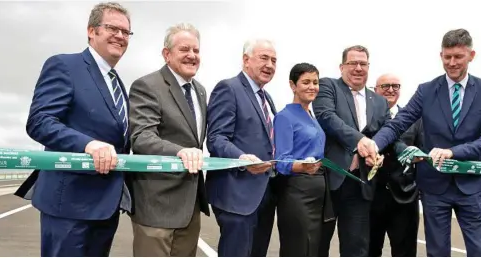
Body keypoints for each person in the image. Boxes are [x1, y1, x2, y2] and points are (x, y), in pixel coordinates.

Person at [14, 2, 133, 256]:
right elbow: (40, 121)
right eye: (113, 28)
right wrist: (88, 144)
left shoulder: (118, 85)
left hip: (105, 207)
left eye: (126, 32)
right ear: (92, 31)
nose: (120, 36)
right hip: (68, 205)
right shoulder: (65, 66)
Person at [370, 29, 481, 257]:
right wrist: (374, 144)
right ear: (441, 55)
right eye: (447, 57)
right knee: (437, 252)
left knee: (479, 251)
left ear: (471, 55)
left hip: (471, 186)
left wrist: (452, 152)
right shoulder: (426, 91)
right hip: (434, 186)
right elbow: (397, 124)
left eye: (458, 57)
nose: (452, 63)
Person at [313, 45, 407, 257]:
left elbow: (389, 134)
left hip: (361, 183)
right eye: (352, 63)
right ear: (341, 66)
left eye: (362, 64)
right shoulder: (328, 86)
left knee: (357, 248)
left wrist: (386, 152)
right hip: (329, 181)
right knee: (318, 245)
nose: (358, 68)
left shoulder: (380, 102)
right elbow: (327, 117)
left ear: (368, 67)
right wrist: (360, 141)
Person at [127, 23, 210, 257]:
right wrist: (180, 151)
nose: (192, 55)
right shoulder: (148, 86)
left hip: (190, 205)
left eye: (196, 50)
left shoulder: (200, 91)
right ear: (167, 54)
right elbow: (142, 137)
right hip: (157, 205)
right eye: (185, 49)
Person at [206, 39, 278, 257]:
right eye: (264, 58)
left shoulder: (267, 98)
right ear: (246, 60)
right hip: (237, 194)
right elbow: (217, 138)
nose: (270, 65)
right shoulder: (228, 88)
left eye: (274, 60)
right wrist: (241, 158)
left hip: (264, 193)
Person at [273, 63, 334, 257]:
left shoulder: (311, 116)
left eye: (315, 82)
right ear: (293, 85)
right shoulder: (285, 117)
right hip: (298, 194)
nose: (312, 87)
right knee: (298, 249)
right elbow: (281, 161)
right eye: (306, 82)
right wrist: (303, 166)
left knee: (315, 250)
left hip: (319, 195)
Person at [368, 73, 423, 257]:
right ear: (375, 90)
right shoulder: (365, 118)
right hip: (370, 198)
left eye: (395, 86)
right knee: (368, 251)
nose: (390, 90)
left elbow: (423, 156)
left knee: (405, 252)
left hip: (405, 199)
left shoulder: (415, 120)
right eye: (385, 86)